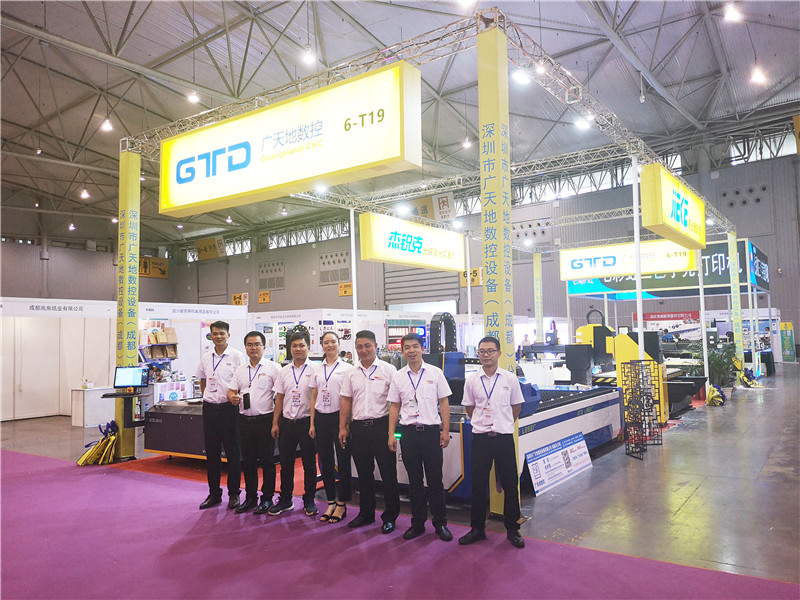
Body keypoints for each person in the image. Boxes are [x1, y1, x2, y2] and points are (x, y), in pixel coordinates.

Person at [459, 336, 526, 548]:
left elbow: (516, 407)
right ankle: (477, 528)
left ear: (499, 353)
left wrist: (503, 424)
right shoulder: (471, 380)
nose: (486, 355)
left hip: (503, 438)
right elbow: (470, 407)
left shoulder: (510, 379)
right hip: (480, 439)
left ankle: (513, 529)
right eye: (482, 351)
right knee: (478, 485)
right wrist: (483, 423)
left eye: (490, 351)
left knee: (510, 484)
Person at [387, 333, 453, 542]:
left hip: (431, 433)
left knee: (435, 480)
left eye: (415, 346)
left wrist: (445, 430)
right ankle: (417, 523)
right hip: (408, 434)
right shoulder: (399, 376)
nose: (411, 350)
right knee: (414, 481)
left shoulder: (435, 373)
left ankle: (440, 523)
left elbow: (444, 402)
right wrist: (391, 433)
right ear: (402, 352)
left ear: (423, 349)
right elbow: (394, 406)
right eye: (407, 347)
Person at [338, 330, 400, 534]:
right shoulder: (351, 372)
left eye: (367, 346)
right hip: (358, 428)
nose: (363, 350)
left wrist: (392, 432)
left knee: (388, 474)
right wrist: (343, 427)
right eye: (359, 347)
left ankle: (390, 517)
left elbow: (396, 402)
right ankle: (366, 513)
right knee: (364, 474)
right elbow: (346, 400)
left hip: (381, 427)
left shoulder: (389, 370)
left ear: (376, 346)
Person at [227, 331, 282, 515]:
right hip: (244, 421)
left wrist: (276, 422)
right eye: (250, 345)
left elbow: (281, 395)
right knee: (248, 462)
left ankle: (267, 498)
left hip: (265, 420)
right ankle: (251, 498)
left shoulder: (274, 368)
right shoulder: (240, 370)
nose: (253, 348)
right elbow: (231, 391)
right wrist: (232, 397)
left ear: (264, 347)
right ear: (245, 348)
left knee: (267, 462)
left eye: (257, 344)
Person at [195, 320, 246, 510]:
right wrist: (206, 397)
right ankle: (214, 494)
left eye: (221, 333)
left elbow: (243, 381)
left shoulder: (237, 356)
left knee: (233, 453)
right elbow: (202, 379)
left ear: (228, 335)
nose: (218, 337)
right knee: (212, 454)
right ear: (211, 335)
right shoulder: (206, 357)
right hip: (210, 408)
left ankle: (234, 494)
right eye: (215, 333)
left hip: (229, 409)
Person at [270, 331, 318, 516]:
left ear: (308, 347)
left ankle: (309, 499)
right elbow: (279, 398)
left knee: (309, 464)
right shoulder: (284, 371)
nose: (298, 349)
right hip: (287, 423)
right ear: (290, 349)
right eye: (294, 346)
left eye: (301, 345)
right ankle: (286, 499)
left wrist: (313, 424)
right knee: (286, 464)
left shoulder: (315, 370)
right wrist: (275, 423)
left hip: (307, 423)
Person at [309, 331, 353, 523]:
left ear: (339, 344)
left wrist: (346, 423)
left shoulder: (348, 368)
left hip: (339, 418)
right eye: (326, 342)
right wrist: (312, 422)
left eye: (333, 341)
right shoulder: (317, 369)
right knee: (325, 462)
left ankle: (342, 503)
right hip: (321, 417)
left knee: (343, 461)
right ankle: (330, 501)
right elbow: (314, 395)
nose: (330, 345)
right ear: (322, 345)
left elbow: (350, 398)